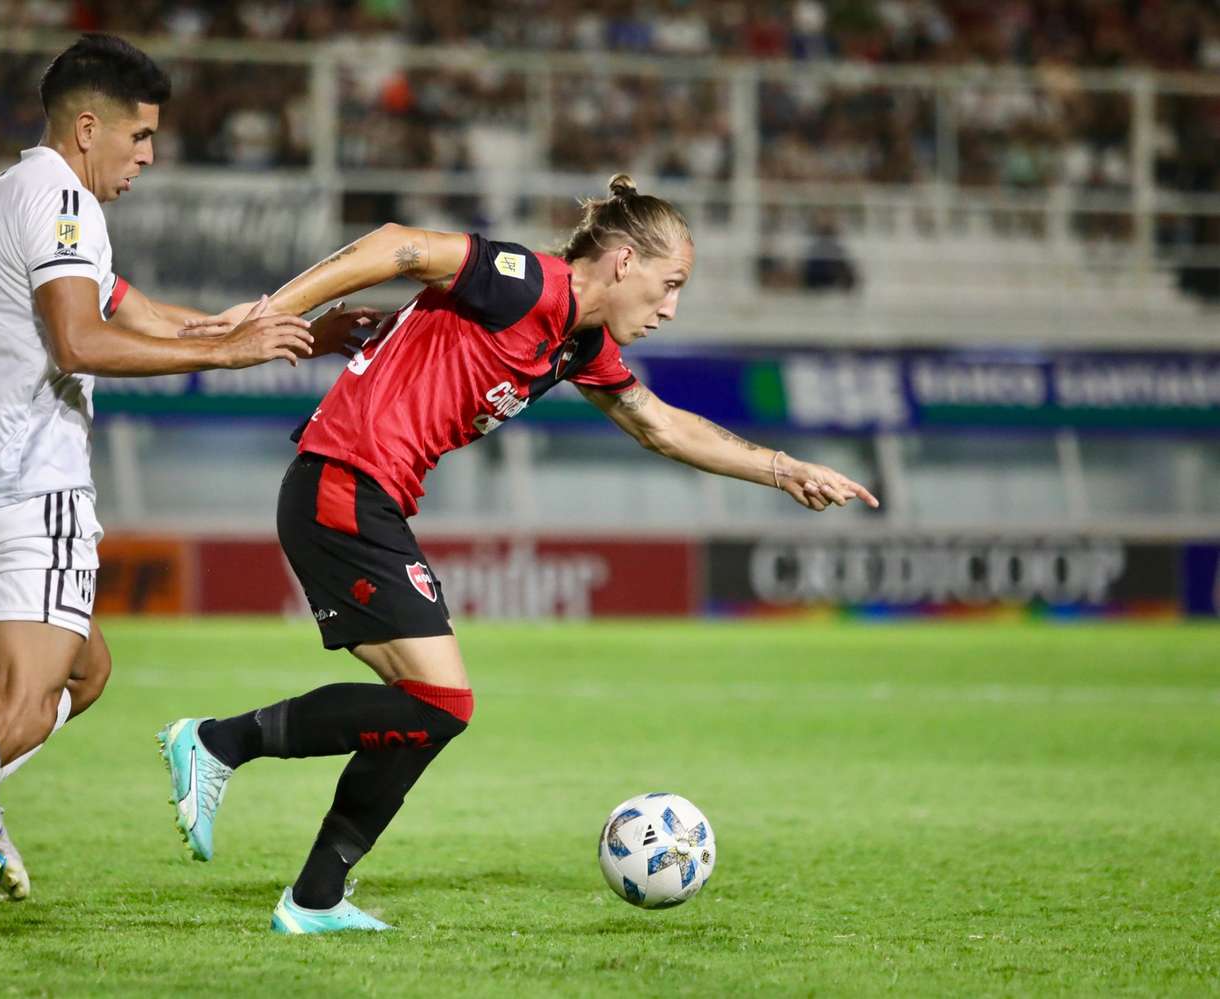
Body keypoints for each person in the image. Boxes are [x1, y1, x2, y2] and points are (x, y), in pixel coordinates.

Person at [157, 174, 879, 934]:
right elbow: (395, 244)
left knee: (429, 712)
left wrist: (783, 468)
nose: (671, 308)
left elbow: (660, 426)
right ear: (624, 261)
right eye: (670, 285)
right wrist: (274, 313)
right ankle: (215, 742)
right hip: (342, 482)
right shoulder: (527, 283)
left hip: (361, 496)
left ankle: (315, 898)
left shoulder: (579, 341)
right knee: (442, 703)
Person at [0, 33, 344, 965]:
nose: (149, 156)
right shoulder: (64, 197)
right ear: (90, 126)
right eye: (142, 135)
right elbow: (81, 340)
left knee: (84, 674)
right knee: (18, 702)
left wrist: (290, 333)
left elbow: (137, 311)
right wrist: (221, 356)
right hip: (28, 485)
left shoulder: (9, 192)